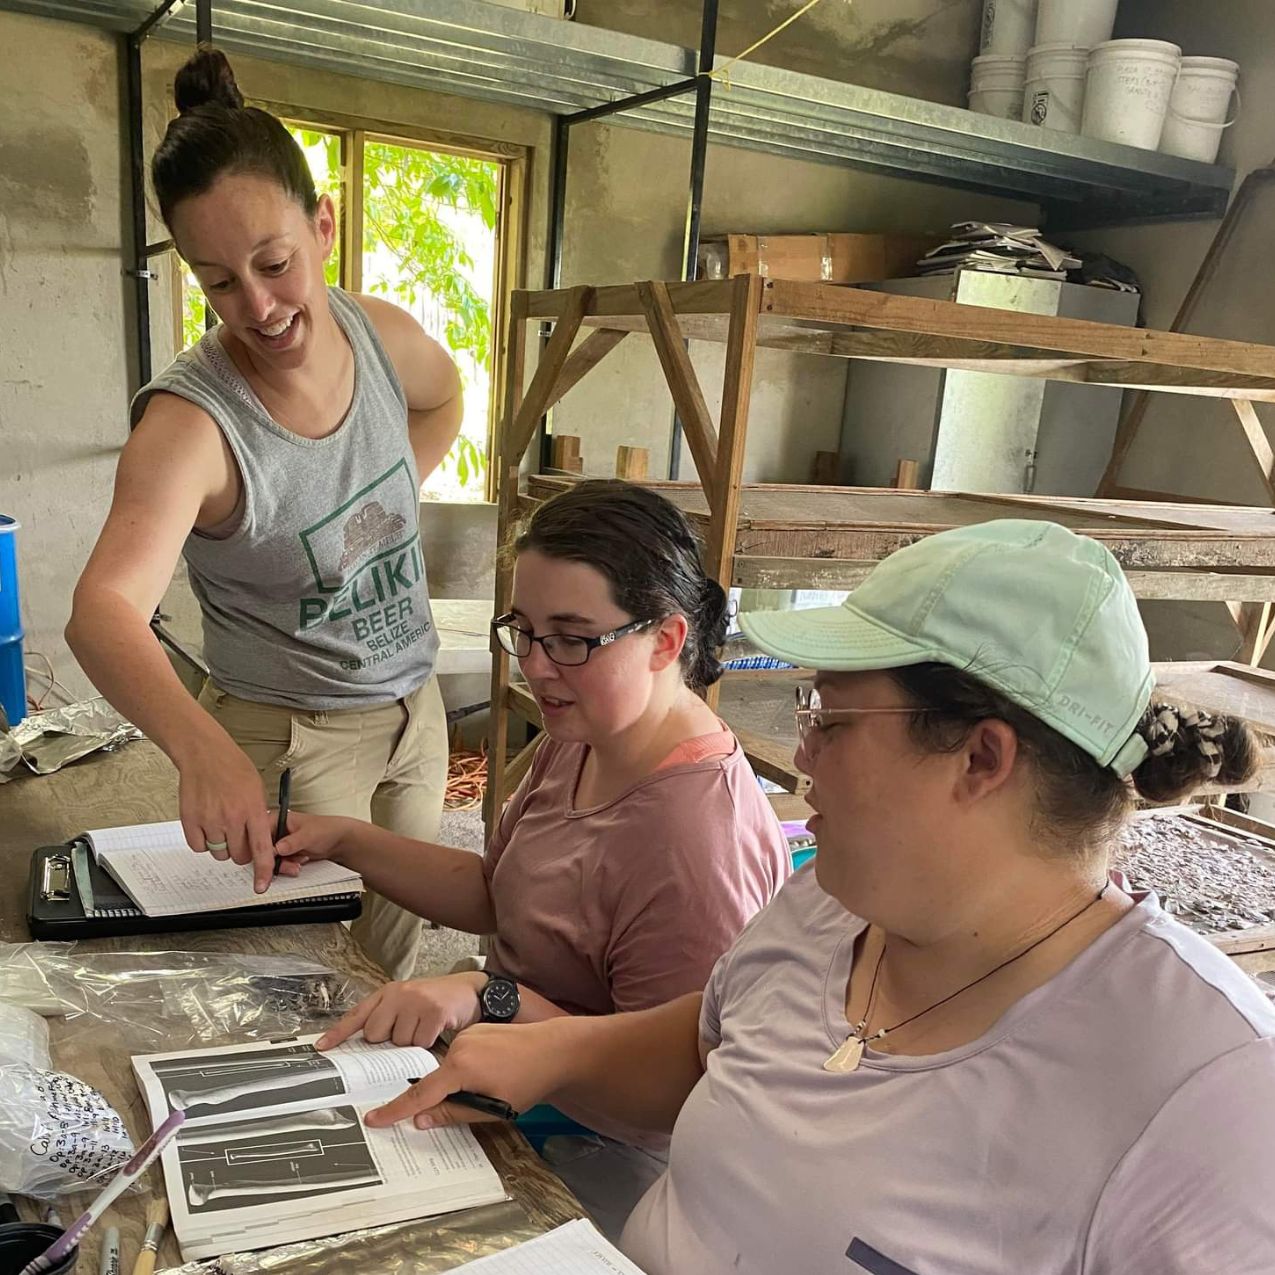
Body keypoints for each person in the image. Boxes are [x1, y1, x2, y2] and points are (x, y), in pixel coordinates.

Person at [362, 519, 1275, 1274]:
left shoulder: (1203, 1095)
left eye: (829, 721)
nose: (800, 755)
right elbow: (712, 1045)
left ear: (980, 758)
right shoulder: (833, 907)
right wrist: (547, 1049)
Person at [275, 479, 792, 1236]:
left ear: (666, 640)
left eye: (573, 638)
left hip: (614, 1151)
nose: (538, 666)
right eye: (523, 629)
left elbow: (682, 1085)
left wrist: (492, 997)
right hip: (514, 1068)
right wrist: (345, 839)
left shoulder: (692, 836)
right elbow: (498, 895)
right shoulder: (580, 734)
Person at [65, 47, 463, 980]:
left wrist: (388, 488)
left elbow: (444, 397)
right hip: (289, 737)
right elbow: (102, 610)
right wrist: (200, 747)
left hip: (414, 707)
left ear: (322, 225)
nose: (258, 305)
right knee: (301, 982)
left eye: (275, 263)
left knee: (396, 959)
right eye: (217, 282)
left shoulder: (381, 332)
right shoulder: (193, 425)